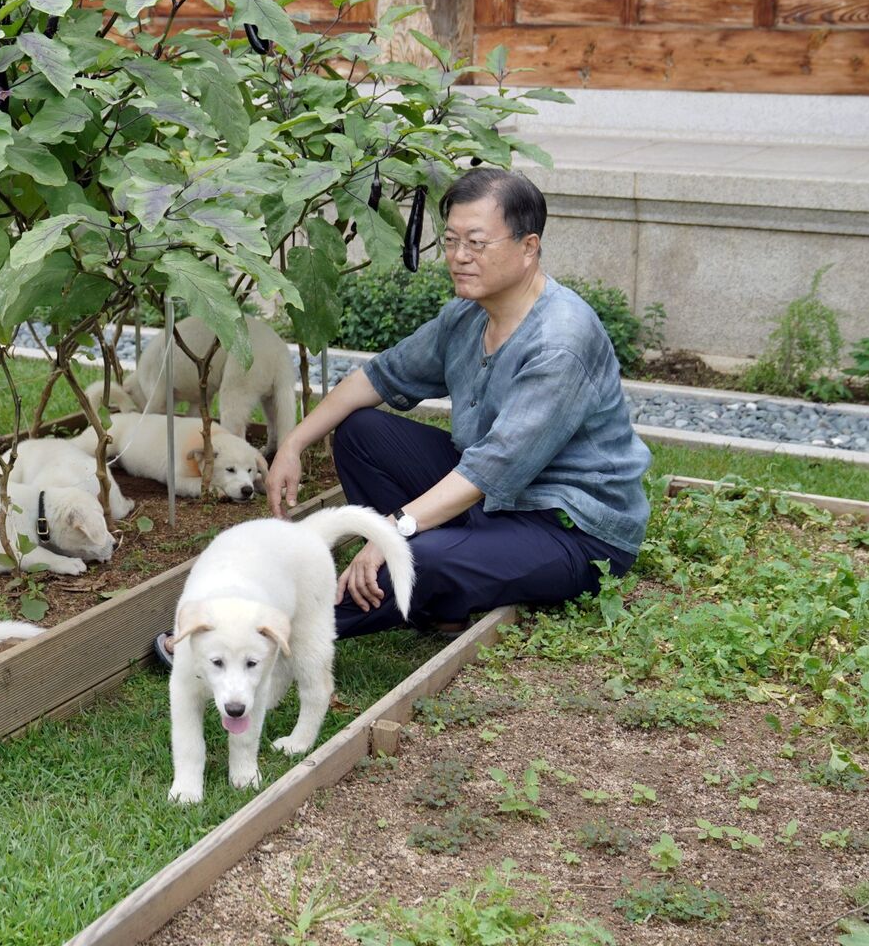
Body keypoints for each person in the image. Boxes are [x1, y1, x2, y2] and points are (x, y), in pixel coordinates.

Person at [263, 166, 649, 637]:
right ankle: (441, 595)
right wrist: (293, 444)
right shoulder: (467, 316)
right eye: (450, 241)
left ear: (529, 247)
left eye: (477, 243)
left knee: (419, 557)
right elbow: (379, 376)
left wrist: (394, 531)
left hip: (569, 529)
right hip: (494, 503)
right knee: (362, 433)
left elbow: (494, 467)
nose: (459, 257)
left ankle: (262, 634)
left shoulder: (559, 341)